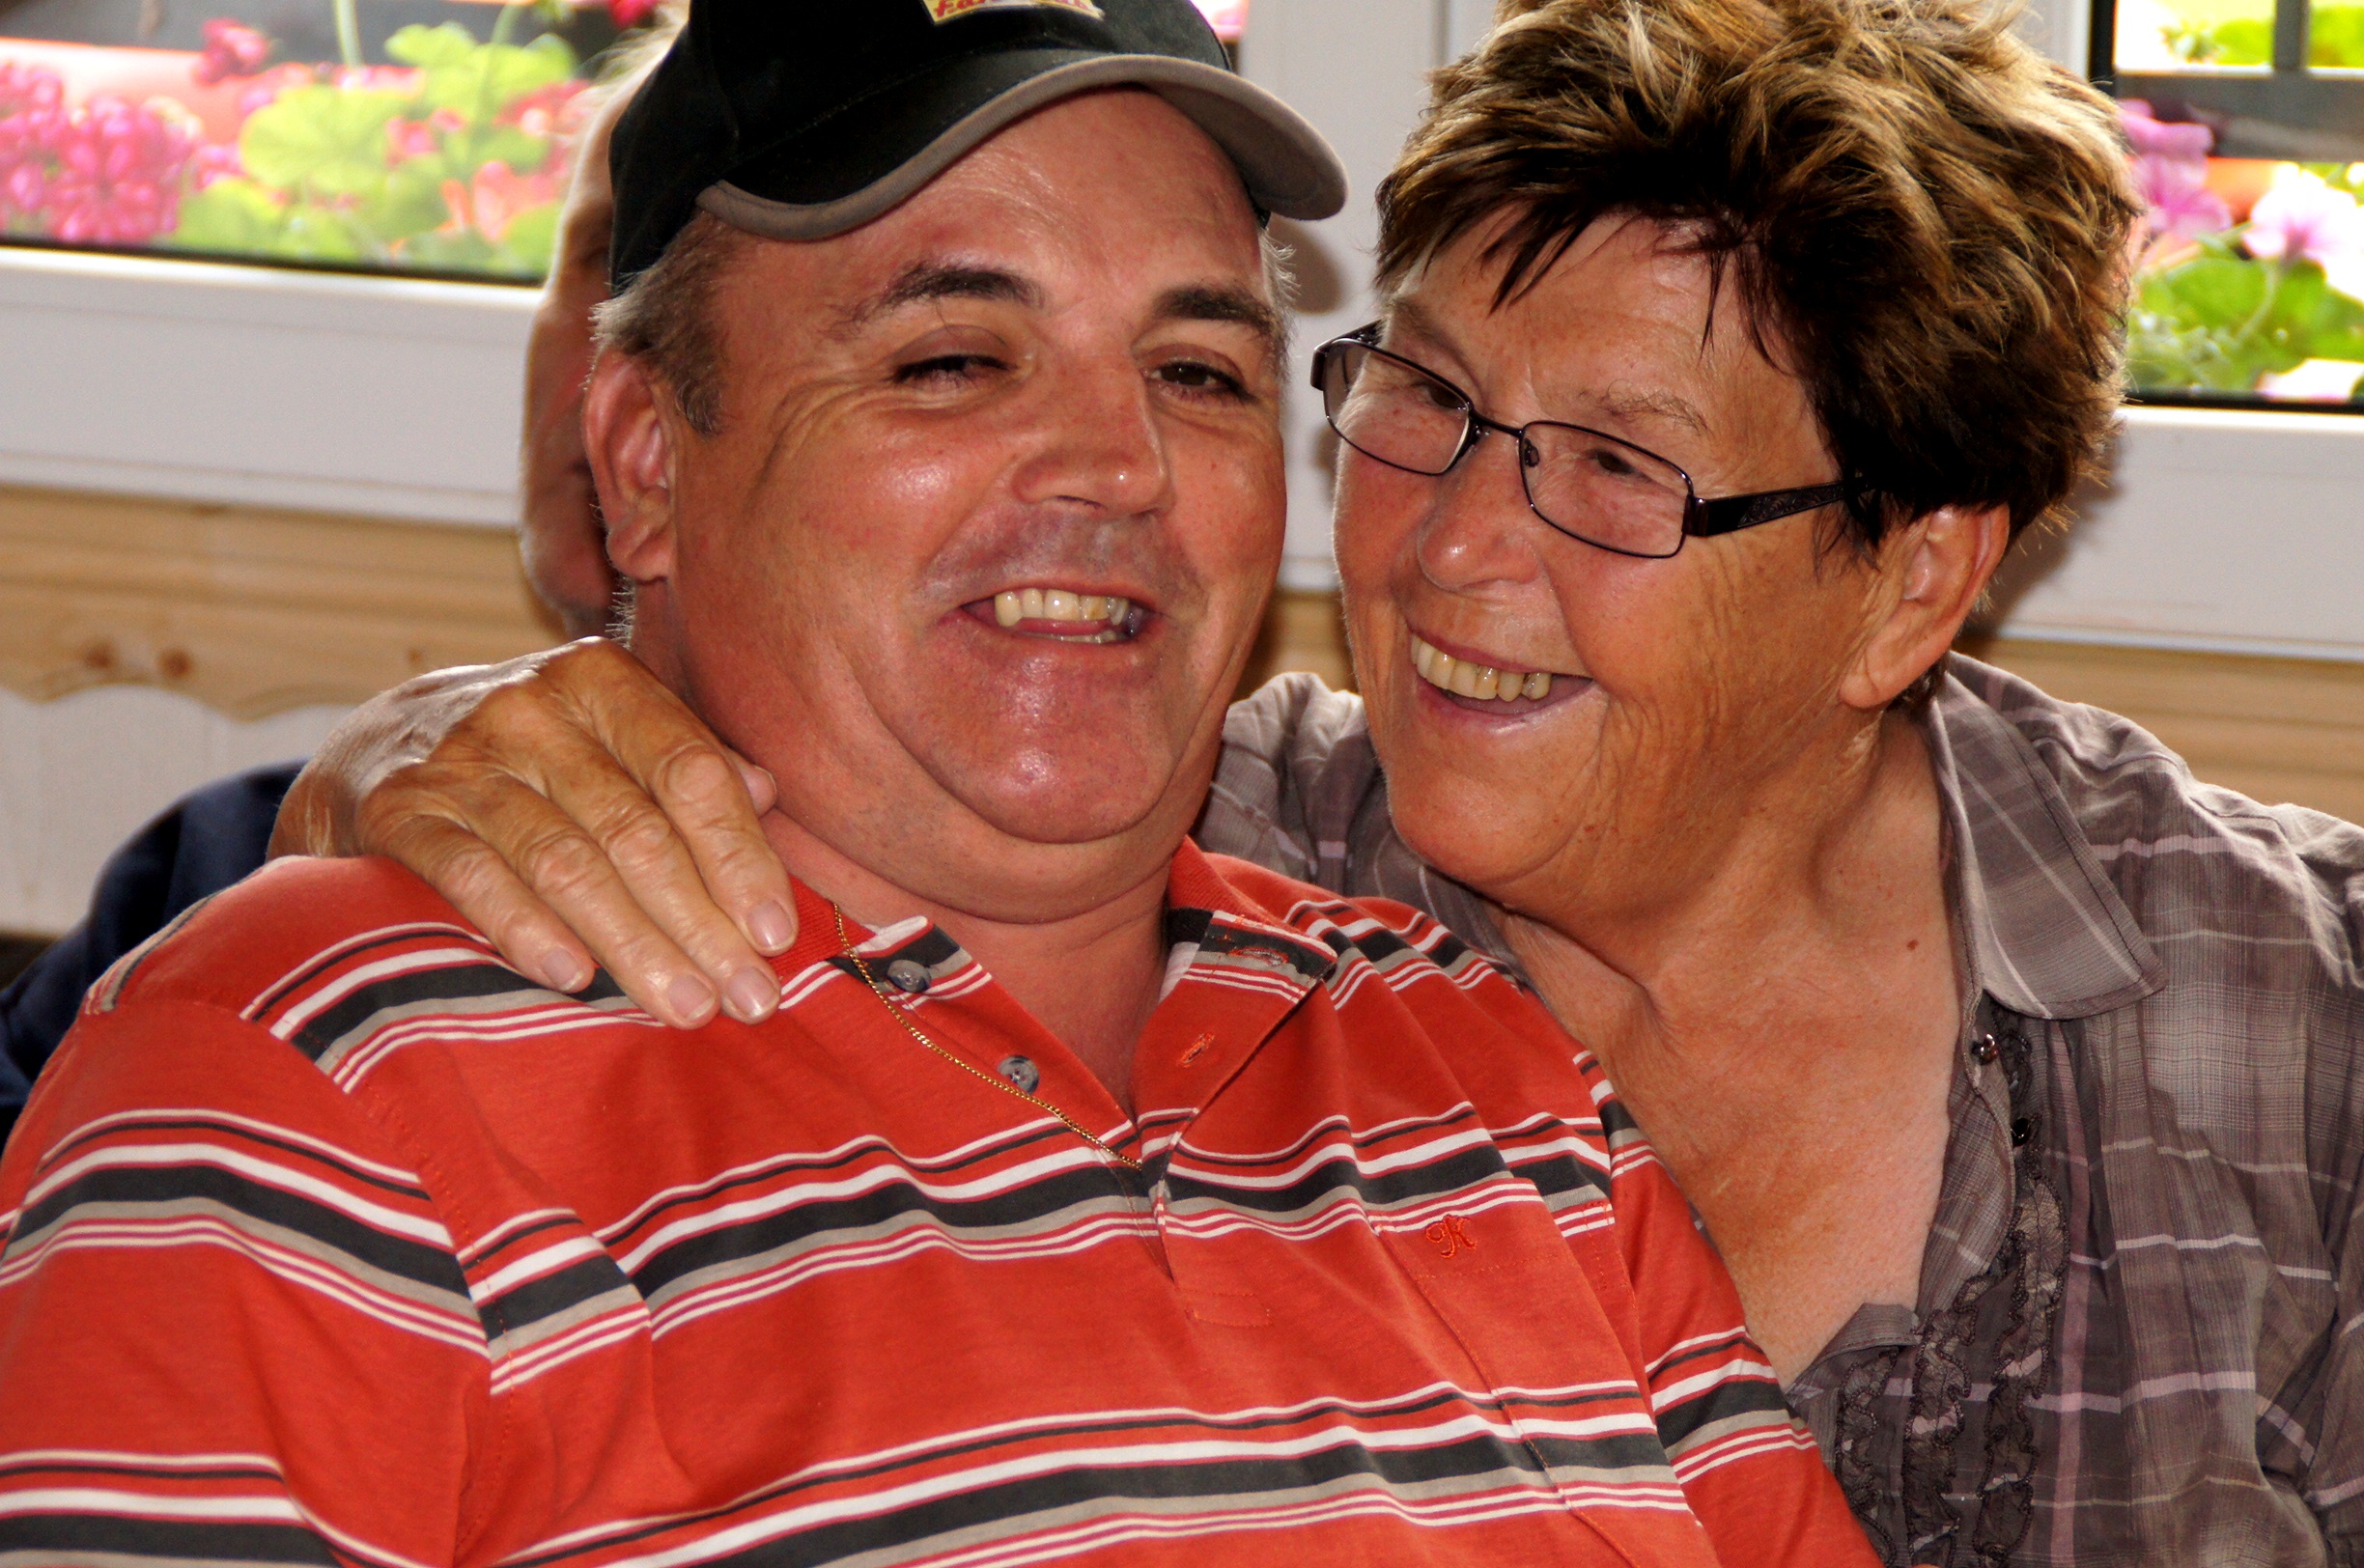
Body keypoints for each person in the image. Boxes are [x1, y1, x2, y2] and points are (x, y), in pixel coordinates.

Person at [249, 0, 2364, 1563]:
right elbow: (815, 669)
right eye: (1421, 397)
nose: (1448, 551)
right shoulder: (1181, 845)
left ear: (1910, 584)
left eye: (1614, 467)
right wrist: (405, 747)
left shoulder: (2295, 1018)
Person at [0, 3, 1879, 1564]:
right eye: (955, 356)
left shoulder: (1484, 1066)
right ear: (643, 462)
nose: (1120, 462)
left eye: (1200, 371)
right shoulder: (313, 1078)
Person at [0, 12, 689, 1123]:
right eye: (608, 261)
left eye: (700, 308)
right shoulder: (234, 851)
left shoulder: (934, 916)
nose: (621, 370)